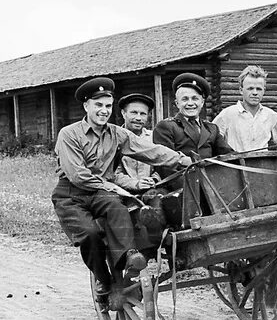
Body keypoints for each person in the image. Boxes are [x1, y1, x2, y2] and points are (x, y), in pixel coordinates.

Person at [51, 77, 192, 298]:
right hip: (70, 193)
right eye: (98, 105)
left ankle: (130, 257)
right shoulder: (69, 134)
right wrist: (112, 186)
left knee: (118, 210)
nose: (103, 111)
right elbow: (78, 176)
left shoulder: (118, 133)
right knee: (90, 234)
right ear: (86, 106)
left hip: (101, 192)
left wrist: (180, 160)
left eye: (108, 106)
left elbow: (149, 150)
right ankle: (103, 278)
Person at [152, 72, 233, 180]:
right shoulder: (166, 127)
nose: (190, 103)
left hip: (211, 184)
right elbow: (165, 167)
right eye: (185, 99)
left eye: (195, 98)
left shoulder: (212, 128)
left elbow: (228, 155)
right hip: (181, 188)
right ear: (177, 103)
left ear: (202, 102)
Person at [213, 65, 277, 152]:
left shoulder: (270, 115)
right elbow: (211, 138)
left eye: (259, 89)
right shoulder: (228, 114)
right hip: (235, 164)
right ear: (241, 90)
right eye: (250, 88)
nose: (255, 93)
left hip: (262, 164)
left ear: (264, 90)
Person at [114, 93, 159, 192]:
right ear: (123, 113)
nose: (138, 118)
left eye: (143, 114)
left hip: (151, 189)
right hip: (123, 192)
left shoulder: (154, 137)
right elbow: (112, 173)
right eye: (134, 112)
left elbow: (161, 167)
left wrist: (154, 179)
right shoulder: (114, 139)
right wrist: (134, 184)